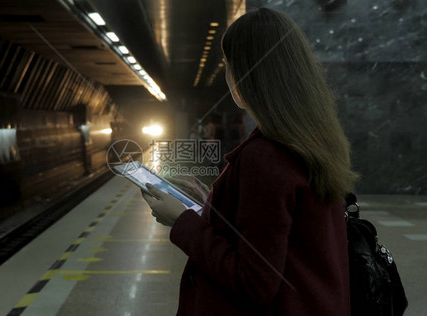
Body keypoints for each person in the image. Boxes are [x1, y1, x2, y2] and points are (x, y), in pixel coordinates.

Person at [141, 7, 360, 316]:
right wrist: (210, 207)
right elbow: (279, 234)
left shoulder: (267, 157)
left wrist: (182, 222)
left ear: (247, 74)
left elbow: (254, 282)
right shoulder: (312, 139)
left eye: (229, 65)